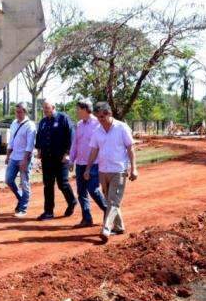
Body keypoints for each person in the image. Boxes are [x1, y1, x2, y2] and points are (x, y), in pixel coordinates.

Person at [84, 102, 138, 243]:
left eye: (103, 116)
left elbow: (130, 148)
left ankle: (106, 228)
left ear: (109, 114)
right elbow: (94, 151)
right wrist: (88, 168)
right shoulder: (97, 131)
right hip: (103, 171)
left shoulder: (121, 127)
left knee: (113, 201)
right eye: (98, 117)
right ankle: (119, 227)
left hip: (118, 170)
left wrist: (134, 168)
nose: (100, 119)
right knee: (110, 201)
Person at [35, 101, 77, 220]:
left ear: (54, 107)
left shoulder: (63, 118)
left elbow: (71, 136)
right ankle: (48, 212)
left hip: (60, 158)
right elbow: (39, 137)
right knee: (48, 185)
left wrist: (68, 154)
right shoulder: (43, 122)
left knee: (62, 183)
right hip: (46, 159)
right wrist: (39, 152)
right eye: (44, 108)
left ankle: (72, 201)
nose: (45, 110)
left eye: (47, 108)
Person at [69, 99, 107, 227]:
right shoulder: (79, 124)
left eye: (78, 109)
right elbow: (75, 143)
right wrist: (71, 160)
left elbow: (102, 143)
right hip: (80, 164)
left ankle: (108, 211)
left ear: (85, 109)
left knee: (93, 189)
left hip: (94, 163)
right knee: (81, 192)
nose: (76, 111)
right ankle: (87, 218)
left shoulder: (98, 123)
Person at [5, 102, 37, 217]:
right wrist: (8, 155)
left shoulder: (30, 125)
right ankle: (21, 199)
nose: (17, 114)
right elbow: (11, 141)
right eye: (16, 111)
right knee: (8, 180)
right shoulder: (14, 123)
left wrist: (24, 160)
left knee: (24, 183)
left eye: (19, 112)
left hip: (25, 158)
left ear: (25, 111)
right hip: (14, 157)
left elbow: (30, 145)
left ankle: (23, 209)